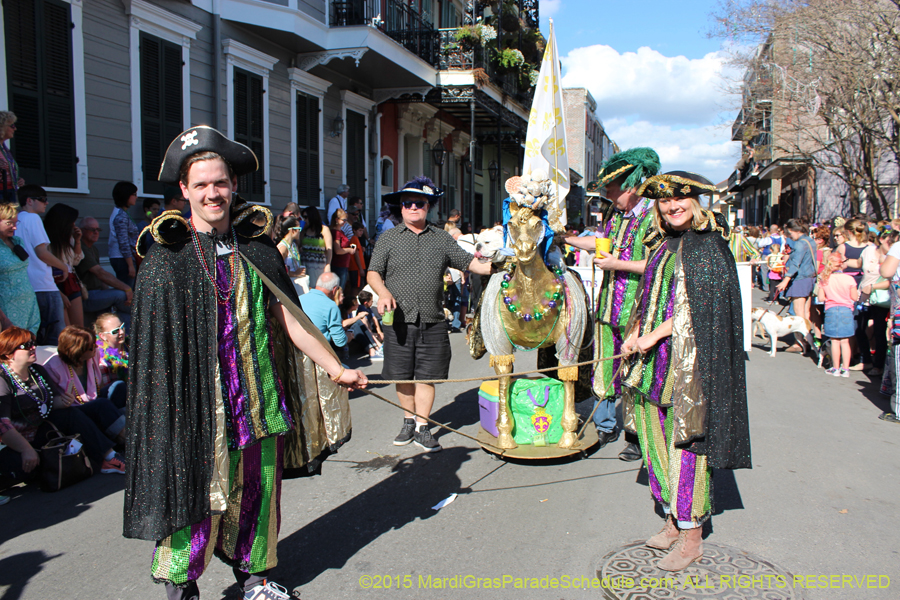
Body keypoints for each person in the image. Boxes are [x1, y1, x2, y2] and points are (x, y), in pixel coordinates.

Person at [124, 125, 366, 600]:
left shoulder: (256, 249)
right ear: (184, 191)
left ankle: (254, 578)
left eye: (220, 183)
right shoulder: (165, 259)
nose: (212, 193)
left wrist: (337, 369)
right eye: (201, 185)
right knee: (195, 495)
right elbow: (152, 356)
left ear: (233, 185)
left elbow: (292, 321)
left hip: (257, 400)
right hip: (195, 408)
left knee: (258, 492)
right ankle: (181, 585)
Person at [621, 171, 751, 572]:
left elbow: (694, 311)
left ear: (695, 201)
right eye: (664, 201)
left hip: (688, 367)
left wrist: (653, 336)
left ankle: (692, 536)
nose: (672, 206)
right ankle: (672, 521)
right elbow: (648, 298)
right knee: (654, 440)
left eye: (680, 199)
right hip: (652, 363)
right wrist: (635, 335)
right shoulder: (662, 245)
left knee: (687, 447)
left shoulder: (709, 246)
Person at [368, 176, 491, 453]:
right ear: (401, 208)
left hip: (433, 319)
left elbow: (471, 263)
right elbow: (373, 272)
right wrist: (383, 293)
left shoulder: (442, 238)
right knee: (403, 375)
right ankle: (408, 421)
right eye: (407, 203)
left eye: (419, 203)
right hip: (398, 320)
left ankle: (423, 426)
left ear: (428, 207)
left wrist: (503, 264)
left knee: (427, 375)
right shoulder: (388, 238)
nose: (413, 207)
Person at [562, 148, 662, 460]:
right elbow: (599, 244)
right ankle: (605, 425)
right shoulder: (615, 216)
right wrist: (564, 238)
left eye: (611, 189)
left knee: (636, 370)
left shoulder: (654, 217)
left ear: (630, 188)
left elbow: (658, 264)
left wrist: (618, 264)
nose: (607, 195)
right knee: (604, 367)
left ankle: (636, 435)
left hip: (640, 312)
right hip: (607, 308)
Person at [0, 327, 127, 501]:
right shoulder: (3, 380)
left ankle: (114, 455)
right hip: (20, 441)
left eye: (33, 343)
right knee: (27, 470)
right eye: (26, 345)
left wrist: (63, 400)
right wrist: (26, 450)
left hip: (45, 428)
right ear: (8, 354)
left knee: (98, 406)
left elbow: (51, 404)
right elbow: (3, 425)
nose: (32, 347)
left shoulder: (37, 371)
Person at [43, 325, 127, 438]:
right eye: (91, 347)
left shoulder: (93, 355)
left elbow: (98, 386)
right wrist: (62, 400)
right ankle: (126, 438)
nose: (96, 347)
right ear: (77, 350)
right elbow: (51, 401)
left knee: (119, 387)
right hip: (75, 409)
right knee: (101, 404)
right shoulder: (53, 367)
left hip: (93, 400)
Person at [16, 185, 70, 345]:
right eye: (43, 199)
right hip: (43, 286)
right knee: (54, 337)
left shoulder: (17, 220)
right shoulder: (33, 218)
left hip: (27, 285)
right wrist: (63, 266)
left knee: (36, 336)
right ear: (29, 201)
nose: (46, 203)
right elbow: (41, 252)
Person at [75, 217, 132, 327]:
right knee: (121, 294)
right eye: (92, 229)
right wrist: (126, 288)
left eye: (98, 230)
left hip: (97, 293)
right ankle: (145, 314)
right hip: (86, 296)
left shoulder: (94, 249)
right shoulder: (81, 247)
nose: (96, 232)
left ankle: (129, 339)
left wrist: (108, 292)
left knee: (124, 317)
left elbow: (101, 279)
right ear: (81, 230)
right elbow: (100, 273)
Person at [775, 219, 818, 351]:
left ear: (797, 231)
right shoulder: (810, 241)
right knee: (806, 312)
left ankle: (801, 342)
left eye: (790, 232)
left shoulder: (800, 244)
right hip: (809, 278)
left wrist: (785, 280)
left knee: (799, 315)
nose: (789, 236)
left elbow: (795, 265)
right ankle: (809, 340)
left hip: (800, 279)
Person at [0, 202, 40, 334]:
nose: (14, 227)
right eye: (9, 223)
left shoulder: (17, 241)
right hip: (7, 308)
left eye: (16, 223)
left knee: (28, 344)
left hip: (28, 304)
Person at [44, 203, 85, 328]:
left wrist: (77, 241)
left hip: (70, 282)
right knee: (66, 331)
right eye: (71, 222)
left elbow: (76, 261)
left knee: (79, 328)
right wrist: (59, 294)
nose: (74, 225)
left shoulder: (69, 239)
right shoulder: (46, 241)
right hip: (54, 283)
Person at [818, 254, 859, 377]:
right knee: (845, 341)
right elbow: (854, 297)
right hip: (846, 310)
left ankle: (835, 368)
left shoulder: (824, 279)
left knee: (834, 341)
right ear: (842, 264)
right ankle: (845, 369)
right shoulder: (849, 279)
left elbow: (821, 297)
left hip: (831, 310)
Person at [298, 272, 347, 353]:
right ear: (334, 289)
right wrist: (348, 337)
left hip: (296, 349)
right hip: (317, 352)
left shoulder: (299, 299)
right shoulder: (331, 306)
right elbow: (340, 341)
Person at [108, 181, 140, 288]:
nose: (136, 197)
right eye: (134, 194)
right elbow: (123, 242)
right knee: (127, 290)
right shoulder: (121, 216)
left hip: (124, 258)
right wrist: (130, 265)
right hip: (123, 259)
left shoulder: (123, 212)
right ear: (126, 195)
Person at [94, 313, 128, 407]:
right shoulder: (100, 358)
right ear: (103, 336)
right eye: (115, 331)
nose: (121, 332)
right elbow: (106, 390)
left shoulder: (131, 346)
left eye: (122, 327)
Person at [299, 205, 332, 292]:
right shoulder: (304, 231)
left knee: (319, 289)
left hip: (319, 265)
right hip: (306, 264)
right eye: (303, 217)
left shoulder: (324, 230)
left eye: (306, 217)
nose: (304, 219)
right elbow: (298, 245)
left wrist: (327, 265)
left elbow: (329, 250)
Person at [329, 208, 356, 291]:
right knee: (339, 290)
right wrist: (349, 250)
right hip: (338, 265)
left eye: (346, 220)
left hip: (343, 265)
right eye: (343, 220)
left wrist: (349, 245)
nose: (345, 222)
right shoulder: (336, 232)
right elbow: (338, 250)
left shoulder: (341, 231)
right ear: (337, 219)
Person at [0, 111, 24, 204]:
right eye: (12, 126)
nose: (15, 129)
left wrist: (16, 179)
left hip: (9, 192)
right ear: (2, 127)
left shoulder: (6, 150)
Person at [347, 221, 368, 290]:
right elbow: (355, 254)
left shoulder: (356, 239)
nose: (361, 232)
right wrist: (361, 269)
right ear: (354, 230)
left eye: (362, 231)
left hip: (357, 268)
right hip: (356, 268)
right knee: (356, 288)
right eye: (359, 231)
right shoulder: (354, 239)